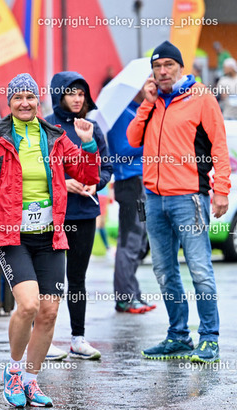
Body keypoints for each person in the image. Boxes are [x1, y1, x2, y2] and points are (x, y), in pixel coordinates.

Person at [0, 73, 100, 407]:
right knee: (29, 305)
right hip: (12, 235)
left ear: (39, 101)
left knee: (49, 311)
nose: (24, 103)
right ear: (10, 102)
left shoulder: (55, 137)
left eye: (30, 97)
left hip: (50, 236)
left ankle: (31, 380)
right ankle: (13, 370)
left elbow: (87, 175)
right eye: (18, 97)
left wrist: (89, 144)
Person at [128, 41, 230, 363]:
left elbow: (219, 146)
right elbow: (132, 139)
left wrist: (222, 189)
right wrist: (146, 104)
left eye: (168, 65)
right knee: (164, 271)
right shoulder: (153, 102)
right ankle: (178, 336)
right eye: (157, 67)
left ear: (180, 68)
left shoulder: (201, 97)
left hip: (189, 197)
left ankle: (209, 338)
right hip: (154, 198)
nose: (162, 71)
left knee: (199, 269)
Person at [44, 72, 113, 361]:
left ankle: (78, 338)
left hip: (84, 213)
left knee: (77, 278)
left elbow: (106, 167)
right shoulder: (45, 126)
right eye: (71, 92)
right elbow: (36, 170)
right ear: (58, 94)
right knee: (49, 281)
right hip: (52, 215)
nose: (77, 98)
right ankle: (43, 340)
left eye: (81, 93)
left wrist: (96, 183)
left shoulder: (90, 127)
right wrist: (62, 182)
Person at [107, 92, 157, 314]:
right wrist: (151, 141)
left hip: (141, 185)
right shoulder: (121, 113)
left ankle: (132, 293)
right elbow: (122, 149)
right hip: (130, 184)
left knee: (140, 240)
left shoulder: (137, 111)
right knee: (130, 240)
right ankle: (125, 298)